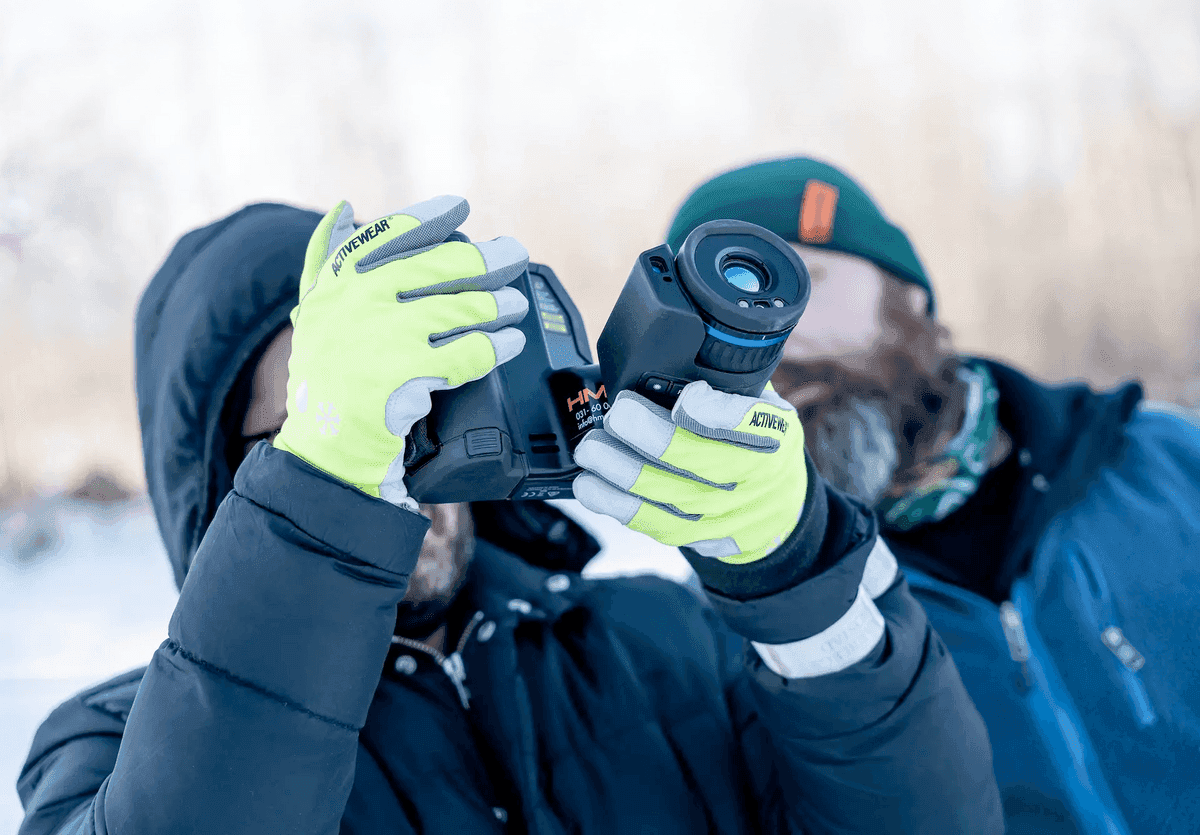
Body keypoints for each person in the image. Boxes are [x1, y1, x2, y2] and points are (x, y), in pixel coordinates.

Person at [17, 195, 1002, 835]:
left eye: (416, 404)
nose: (393, 464)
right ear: (220, 488)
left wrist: (799, 573)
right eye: (331, 428)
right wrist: (324, 495)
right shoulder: (112, 743)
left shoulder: (660, 643)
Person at [666, 157, 1200, 835]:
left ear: (908, 295)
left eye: (794, 280)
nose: (770, 337)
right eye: (716, 307)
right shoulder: (739, 627)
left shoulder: (1164, 463)